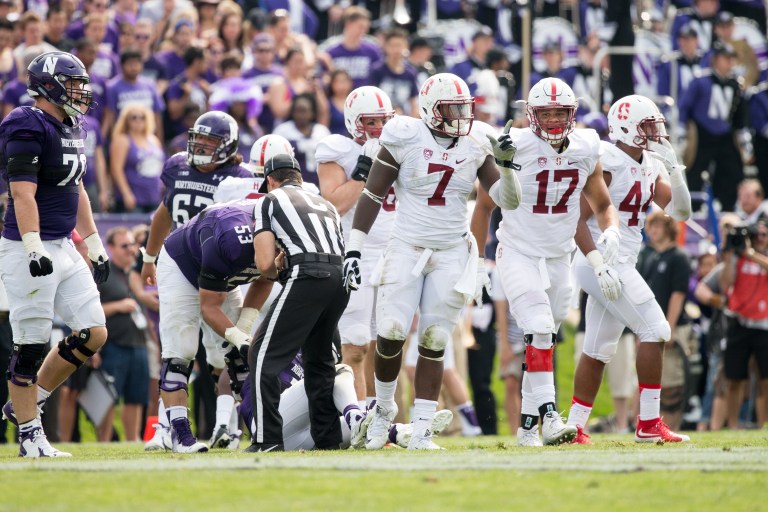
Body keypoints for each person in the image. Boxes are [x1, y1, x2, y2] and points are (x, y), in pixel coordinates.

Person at [345, 73, 522, 450]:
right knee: (391, 332)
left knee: (434, 339)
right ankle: (382, 414)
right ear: (429, 110)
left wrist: (507, 167)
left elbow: (509, 201)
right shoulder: (405, 135)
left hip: (451, 251)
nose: (460, 116)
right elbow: (372, 195)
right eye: (451, 108)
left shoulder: (476, 142)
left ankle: (423, 429)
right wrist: (354, 248)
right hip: (406, 245)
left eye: (464, 107)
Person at [471, 77, 621, 447]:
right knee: (538, 329)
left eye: (560, 112)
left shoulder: (586, 146)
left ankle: (526, 427)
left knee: (544, 342)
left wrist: (610, 233)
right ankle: (551, 417)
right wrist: (475, 261)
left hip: (559, 256)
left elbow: (601, 204)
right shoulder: (516, 145)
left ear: (572, 114)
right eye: (546, 113)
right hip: (519, 251)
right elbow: (484, 206)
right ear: (530, 115)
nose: (553, 120)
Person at [0, 51, 110, 457]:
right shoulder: (26, 122)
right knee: (30, 344)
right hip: (28, 247)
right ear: (48, 84)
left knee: (94, 332)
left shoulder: (72, 124)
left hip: (63, 243)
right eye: (74, 82)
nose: (81, 91)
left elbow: (77, 186)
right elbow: (22, 192)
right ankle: (30, 435)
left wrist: (93, 243)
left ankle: (29, 400)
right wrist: (31, 245)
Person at [567, 95, 693, 444]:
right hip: (600, 261)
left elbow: (681, 213)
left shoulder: (650, 163)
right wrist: (596, 262)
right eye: (647, 126)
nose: (655, 132)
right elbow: (574, 219)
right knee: (656, 329)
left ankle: (575, 426)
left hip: (620, 262)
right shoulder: (608, 160)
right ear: (626, 128)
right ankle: (649, 422)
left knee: (598, 349)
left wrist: (676, 169)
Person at [140, 111, 253, 451]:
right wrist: (148, 255)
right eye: (198, 139)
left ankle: (229, 426)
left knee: (227, 356)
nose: (201, 146)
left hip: (222, 270)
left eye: (210, 141)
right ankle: (169, 428)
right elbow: (165, 211)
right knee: (179, 347)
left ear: (228, 146)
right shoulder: (177, 167)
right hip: (182, 261)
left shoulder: (240, 178)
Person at [243, 154, 347, 452]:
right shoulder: (325, 203)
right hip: (340, 278)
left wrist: (277, 268)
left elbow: (263, 264)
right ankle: (328, 440)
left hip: (307, 274)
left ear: (271, 181)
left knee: (262, 353)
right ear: (300, 178)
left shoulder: (270, 199)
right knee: (320, 362)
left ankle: (268, 440)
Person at [155, 199, 275, 452]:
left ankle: (261, 431)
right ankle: (179, 435)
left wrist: (243, 328)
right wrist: (239, 337)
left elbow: (266, 279)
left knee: (238, 358)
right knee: (182, 351)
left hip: (225, 276)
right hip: (183, 266)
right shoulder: (228, 240)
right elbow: (209, 306)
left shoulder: (284, 234)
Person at [316, 85, 395, 408]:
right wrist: (364, 170)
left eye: (382, 122)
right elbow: (333, 205)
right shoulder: (338, 150)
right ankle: (356, 418)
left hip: (392, 254)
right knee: (356, 344)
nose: (378, 130)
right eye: (371, 122)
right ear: (353, 121)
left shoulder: (400, 145)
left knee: (386, 344)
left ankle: (379, 421)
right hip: (355, 254)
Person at [238, 351, 454, 451]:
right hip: (269, 431)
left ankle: (408, 432)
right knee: (339, 371)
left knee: (360, 425)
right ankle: (357, 417)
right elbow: (252, 404)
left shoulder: (308, 359)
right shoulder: (272, 358)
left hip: (301, 439)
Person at [637, 211, 693, 431]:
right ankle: (645, 423)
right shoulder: (647, 256)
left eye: (658, 226)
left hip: (673, 326)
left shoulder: (679, 256)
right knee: (645, 379)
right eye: (651, 226)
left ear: (668, 229)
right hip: (647, 327)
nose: (653, 231)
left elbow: (678, 295)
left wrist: (668, 327)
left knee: (672, 382)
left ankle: (671, 425)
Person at [97, 226, 149, 442]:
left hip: (139, 343)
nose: (131, 249)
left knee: (136, 397)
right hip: (113, 344)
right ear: (110, 248)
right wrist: (118, 306)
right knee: (108, 398)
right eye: (124, 245)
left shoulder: (138, 274)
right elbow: (91, 311)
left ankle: (132, 440)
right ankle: (104, 443)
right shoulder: (102, 275)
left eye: (132, 245)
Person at [719, 218, 768, 428]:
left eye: (764, 235)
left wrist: (751, 255)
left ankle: (763, 424)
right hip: (740, 322)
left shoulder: (758, 256)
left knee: (765, 379)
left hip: (764, 324)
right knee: (734, 378)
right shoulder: (738, 256)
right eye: (756, 235)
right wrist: (730, 256)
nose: (760, 239)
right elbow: (724, 284)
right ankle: (732, 425)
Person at [109, 104, 166, 212]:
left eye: (142, 117)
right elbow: (116, 169)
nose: (138, 120)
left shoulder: (154, 140)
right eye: (134, 117)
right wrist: (126, 193)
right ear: (126, 120)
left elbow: (161, 166)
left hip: (154, 195)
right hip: (134, 198)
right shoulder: (123, 140)